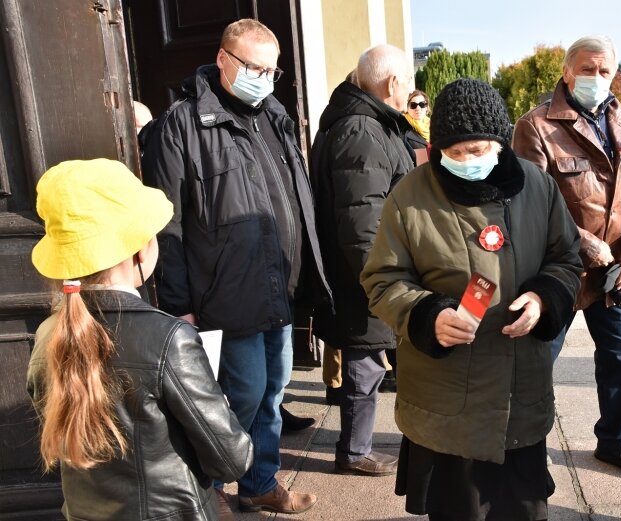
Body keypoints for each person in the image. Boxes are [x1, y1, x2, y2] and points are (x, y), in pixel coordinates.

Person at [361, 78, 582, 521]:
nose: (467, 161)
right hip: (447, 398)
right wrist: (427, 315)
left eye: (478, 150)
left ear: (500, 143)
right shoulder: (409, 195)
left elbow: (566, 259)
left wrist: (543, 299)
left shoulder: (537, 186)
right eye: (455, 152)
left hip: (521, 392)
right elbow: (383, 280)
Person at [141, 18, 329, 517]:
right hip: (225, 294)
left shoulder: (274, 115)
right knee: (237, 398)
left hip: (279, 288)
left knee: (273, 392)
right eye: (254, 68)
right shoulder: (181, 125)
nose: (264, 79)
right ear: (224, 59)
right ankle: (209, 487)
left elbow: (295, 201)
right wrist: (178, 304)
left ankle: (259, 482)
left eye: (272, 70)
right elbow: (170, 223)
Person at [26, 159, 252, 521]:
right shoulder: (169, 338)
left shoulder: (46, 335)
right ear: (141, 249)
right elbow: (232, 460)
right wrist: (220, 407)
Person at [511, 35, 621, 481]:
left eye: (604, 70)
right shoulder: (536, 126)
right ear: (567, 72)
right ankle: (524, 448)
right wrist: (581, 242)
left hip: (615, 271)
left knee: (619, 360)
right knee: (536, 365)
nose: (596, 78)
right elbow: (530, 201)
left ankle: (615, 443)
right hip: (557, 269)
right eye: (587, 69)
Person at [310, 44, 415, 477]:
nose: (411, 89)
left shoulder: (366, 123)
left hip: (367, 272)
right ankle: (354, 451)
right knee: (365, 365)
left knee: (366, 362)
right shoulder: (362, 130)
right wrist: (384, 281)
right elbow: (362, 222)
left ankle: (357, 447)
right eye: (408, 80)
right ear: (392, 83)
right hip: (366, 276)